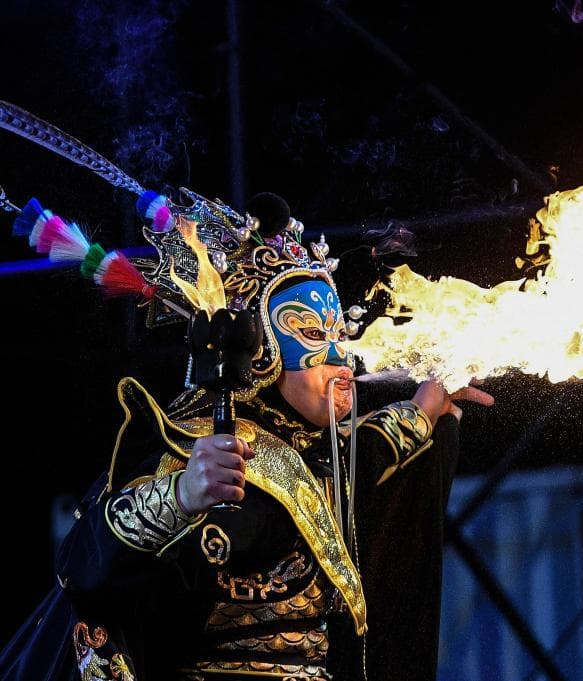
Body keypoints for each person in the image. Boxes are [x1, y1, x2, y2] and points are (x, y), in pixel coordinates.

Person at [1, 191, 492, 681]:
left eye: (340, 336)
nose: (343, 360)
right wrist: (183, 494)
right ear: (262, 351)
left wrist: (426, 408)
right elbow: (85, 568)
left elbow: (341, 464)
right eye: (314, 335)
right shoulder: (196, 447)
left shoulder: (314, 454)